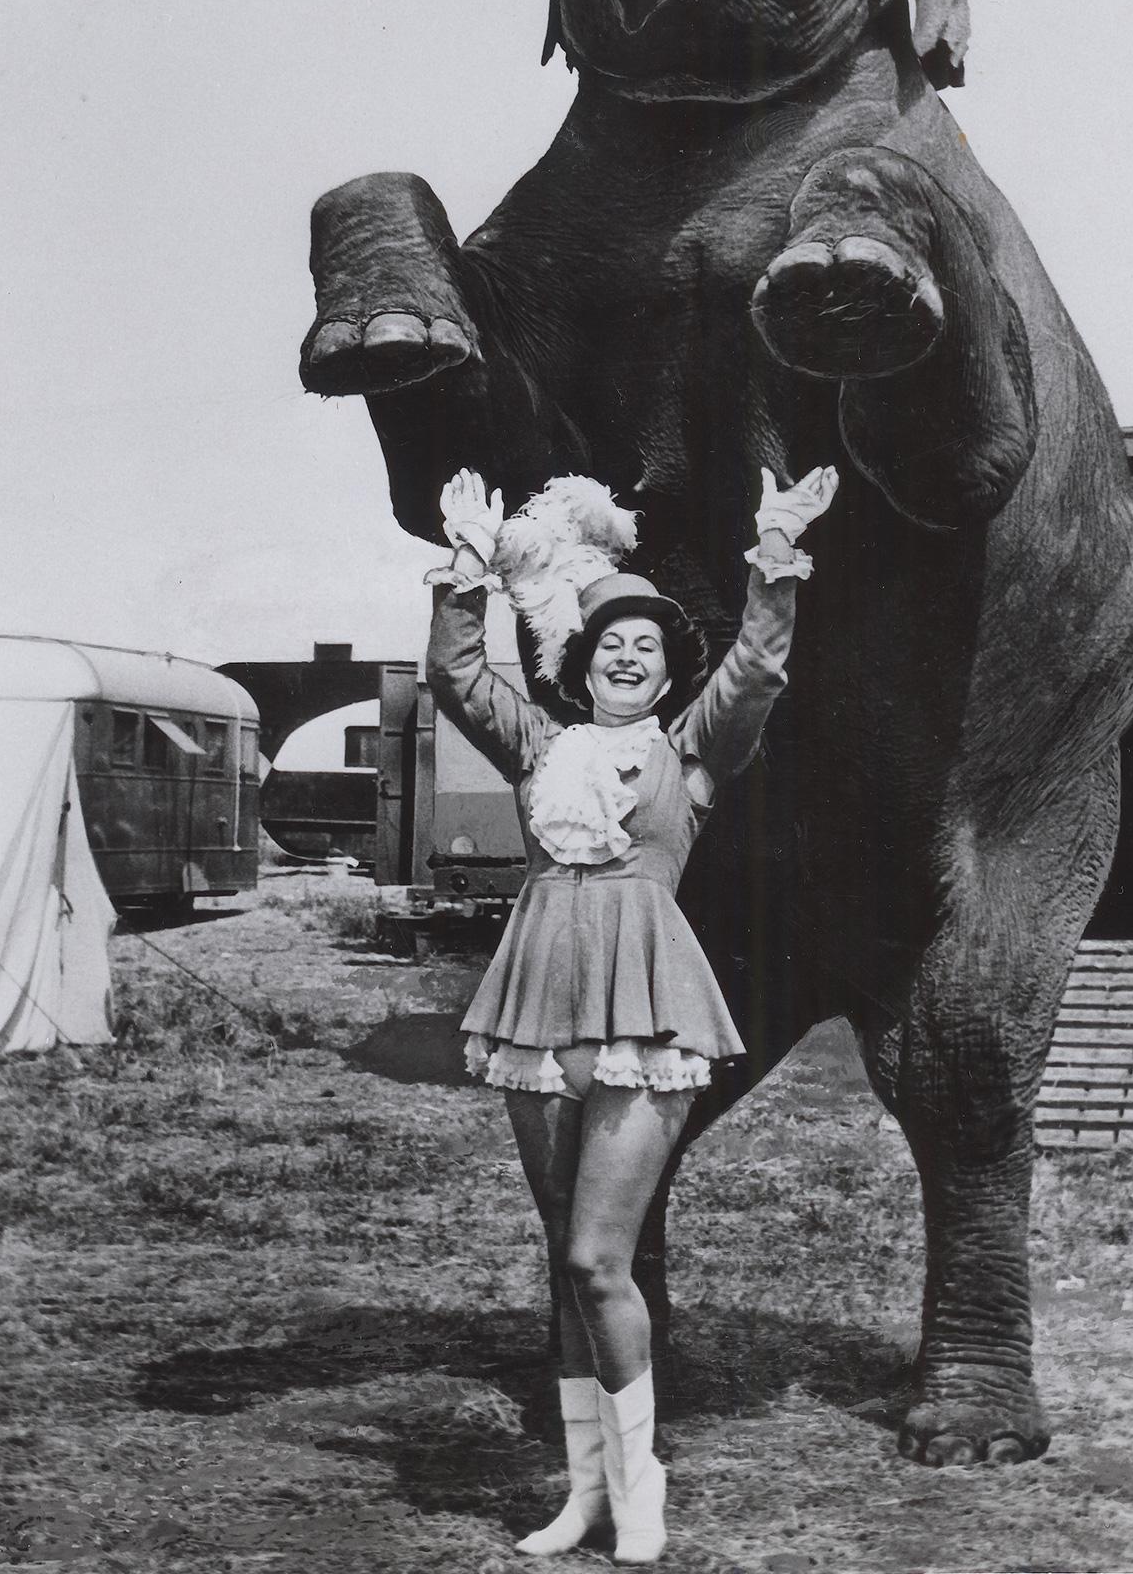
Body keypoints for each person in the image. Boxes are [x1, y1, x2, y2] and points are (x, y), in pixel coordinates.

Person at [424, 463, 838, 1565]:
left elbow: (756, 665)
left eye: (646, 643)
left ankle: (642, 1491)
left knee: (604, 1254)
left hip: (646, 999)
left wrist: (774, 556)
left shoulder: (690, 755)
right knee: (568, 1253)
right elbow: (456, 669)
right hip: (536, 993)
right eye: (609, 639)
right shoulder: (539, 746)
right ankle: (584, 1491)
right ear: (579, 658)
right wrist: (470, 567)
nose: (624, 651)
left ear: (665, 666)